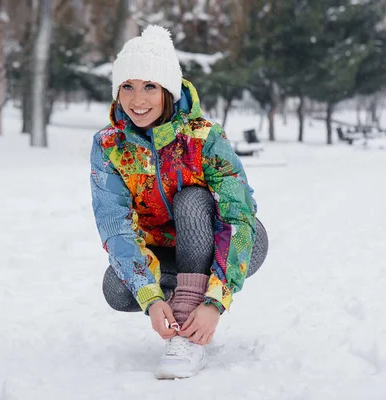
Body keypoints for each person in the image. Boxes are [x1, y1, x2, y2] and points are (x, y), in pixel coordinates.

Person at [90, 25, 268, 379]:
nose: (137, 100)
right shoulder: (110, 145)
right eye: (127, 86)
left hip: (232, 239)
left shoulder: (203, 138)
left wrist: (216, 301)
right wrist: (152, 299)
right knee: (117, 290)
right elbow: (115, 225)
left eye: (149, 87)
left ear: (168, 89)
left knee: (191, 200)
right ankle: (184, 302)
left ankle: (189, 332)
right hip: (165, 250)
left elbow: (239, 219)